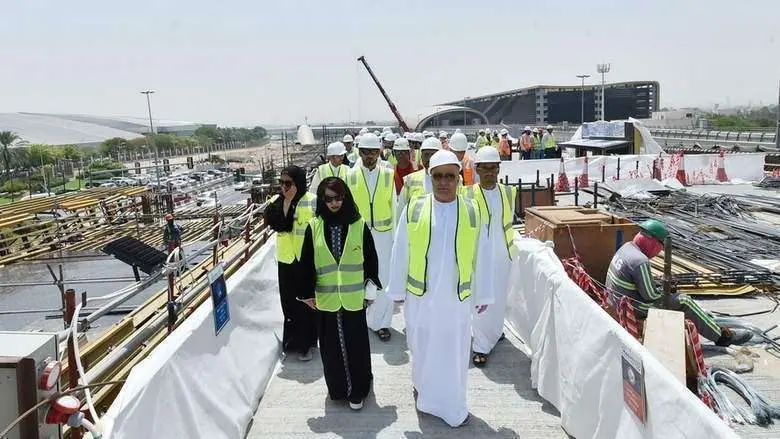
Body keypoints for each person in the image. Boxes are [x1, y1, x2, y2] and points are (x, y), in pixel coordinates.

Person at [388, 150, 493, 428]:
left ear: (459, 177)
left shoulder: (471, 210)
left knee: (454, 352)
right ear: (430, 177)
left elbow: (481, 254)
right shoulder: (415, 208)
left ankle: (453, 406)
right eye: (438, 176)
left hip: (456, 299)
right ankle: (425, 395)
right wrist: (397, 290)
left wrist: (483, 293)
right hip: (420, 297)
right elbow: (401, 250)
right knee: (421, 346)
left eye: (450, 176)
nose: (444, 182)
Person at [297, 177, 380, 410]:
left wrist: (370, 289)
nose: (334, 203)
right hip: (327, 299)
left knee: (356, 345)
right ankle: (338, 389)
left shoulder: (358, 224)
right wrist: (306, 294)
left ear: (346, 197)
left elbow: (371, 259)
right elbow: (306, 262)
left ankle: (358, 389)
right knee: (331, 347)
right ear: (322, 200)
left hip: (354, 298)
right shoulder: (314, 227)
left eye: (339, 198)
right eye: (329, 199)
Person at [606, 220, 753, 346]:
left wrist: (662, 288)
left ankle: (706, 322)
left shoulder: (627, 248)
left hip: (617, 301)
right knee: (684, 301)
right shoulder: (640, 261)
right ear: (653, 242)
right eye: (660, 247)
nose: (659, 252)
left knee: (675, 297)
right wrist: (666, 292)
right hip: (633, 307)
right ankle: (722, 338)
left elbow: (639, 285)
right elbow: (650, 296)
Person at [464, 147, 518, 367]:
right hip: (478, 257)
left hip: (503, 254)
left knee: (498, 298)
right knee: (481, 299)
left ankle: (495, 332)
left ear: (498, 169)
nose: (488, 172)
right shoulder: (466, 194)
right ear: (476, 169)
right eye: (484, 168)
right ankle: (481, 345)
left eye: (492, 168)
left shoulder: (508, 192)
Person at [263, 165, 318, 361]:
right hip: (286, 260)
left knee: (307, 303)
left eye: (289, 183)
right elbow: (279, 225)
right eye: (282, 183)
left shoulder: (312, 202)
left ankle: (307, 344)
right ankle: (292, 343)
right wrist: (286, 202)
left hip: (306, 261)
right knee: (288, 303)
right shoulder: (276, 202)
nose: (284, 187)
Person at [346, 132, 396, 341]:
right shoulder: (350, 176)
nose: (369, 156)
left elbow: (394, 204)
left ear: (379, 152)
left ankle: (382, 323)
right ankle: (363, 319)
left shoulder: (388, 174)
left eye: (374, 152)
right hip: (360, 235)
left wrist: (395, 238)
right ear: (360, 152)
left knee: (384, 278)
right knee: (362, 278)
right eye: (365, 152)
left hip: (384, 236)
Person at [397, 136, 441, 219]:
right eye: (426, 155)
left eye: (433, 155)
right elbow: (401, 212)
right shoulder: (410, 180)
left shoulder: (453, 180)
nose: (429, 159)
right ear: (421, 157)